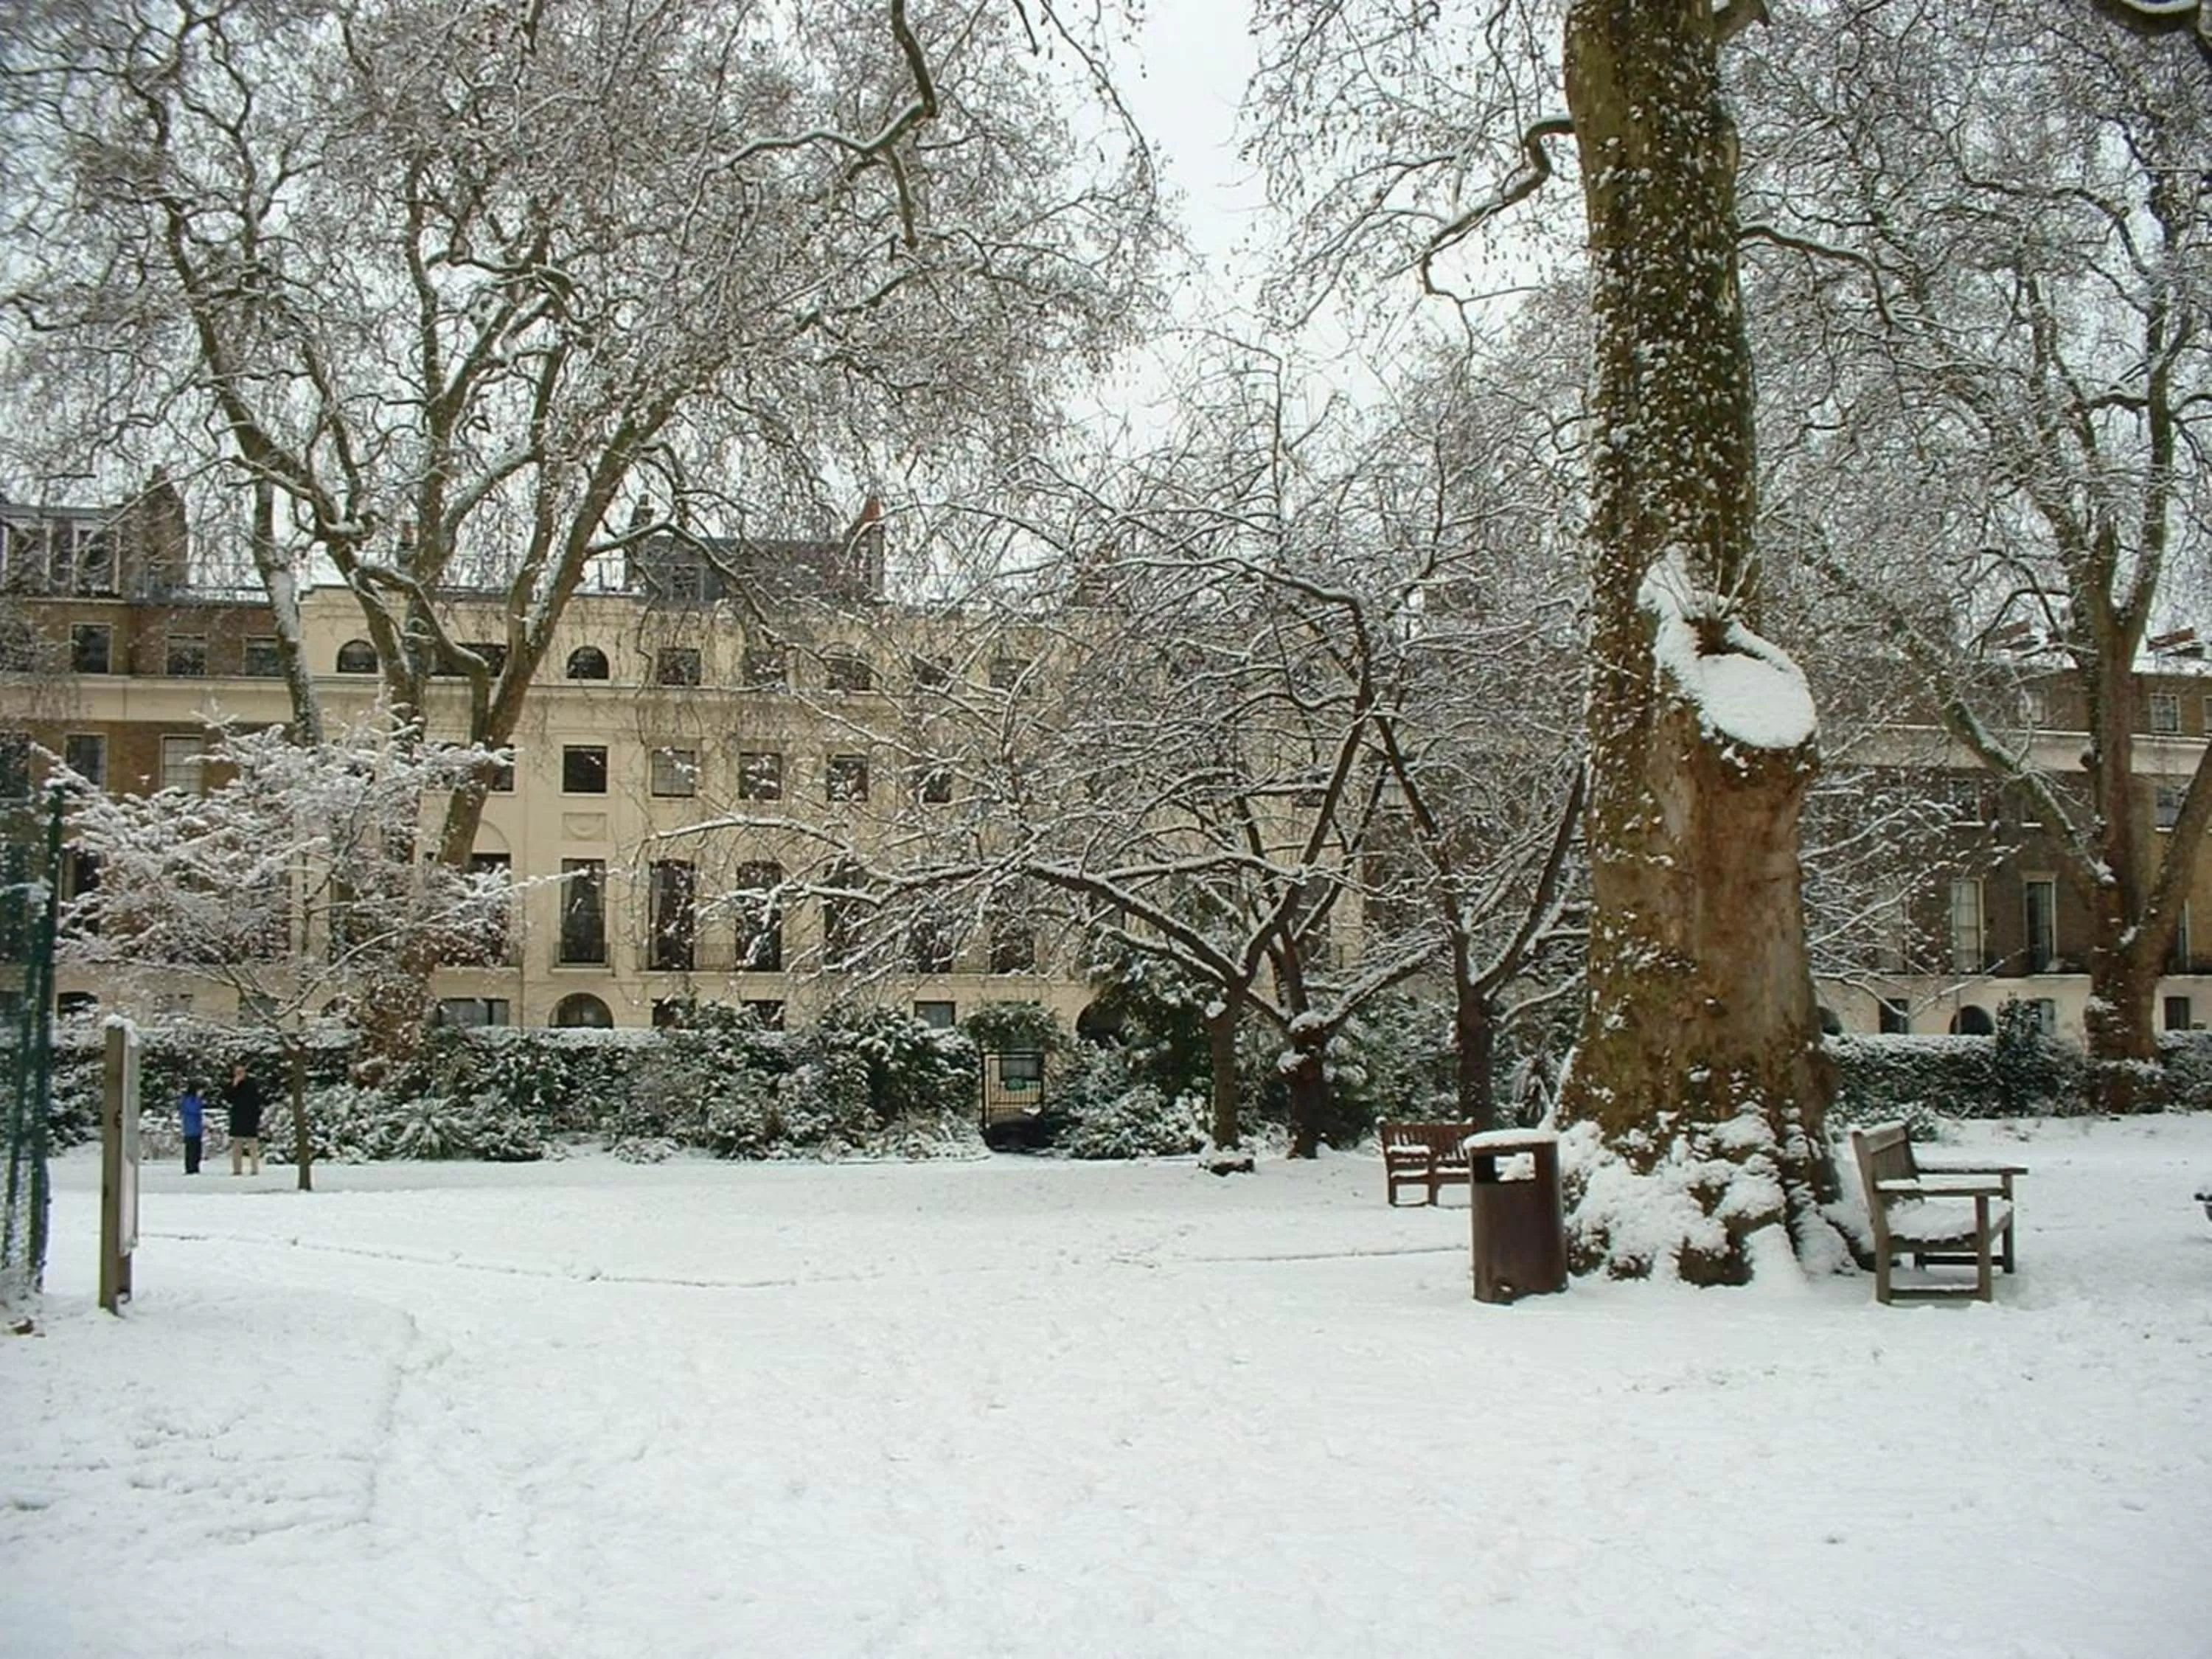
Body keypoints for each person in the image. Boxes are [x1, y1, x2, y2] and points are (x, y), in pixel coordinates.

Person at [226, 1061, 264, 1176]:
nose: (239, 1074)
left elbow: (257, 1101)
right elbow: (228, 1098)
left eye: (241, 1072)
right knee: (237, 1146)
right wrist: (234, 1085)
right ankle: (237, 1169)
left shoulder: (251, 1084)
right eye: (237, 1072)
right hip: (237, 1118)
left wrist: (256, 1117)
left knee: (253, 1146)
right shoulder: (232, 1085)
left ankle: (255, 1169)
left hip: (250, 1118)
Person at [178, 1081, 205, 1175]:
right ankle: (190, 1168)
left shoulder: (193, 1099)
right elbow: (194, 1109)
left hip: (196, 1128)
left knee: (197, 1149)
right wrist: (198, 1099)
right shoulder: (189, 1099)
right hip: (191, 1128)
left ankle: (195, 1167)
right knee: (191, 1149)